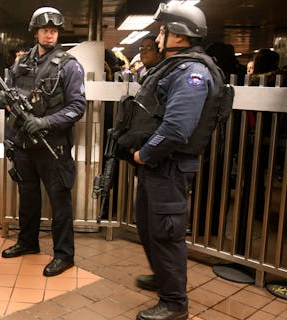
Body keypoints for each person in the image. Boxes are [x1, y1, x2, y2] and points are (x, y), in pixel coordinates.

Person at [131, 3, 223, 320]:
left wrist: (145, 154)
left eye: (163, 30)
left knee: (166, 234)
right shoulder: (174, 66)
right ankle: (162, 276)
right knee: (147, 225)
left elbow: (177, 129)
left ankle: (174, 303)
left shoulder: (192, 73)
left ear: (178, 35)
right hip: (158, 167)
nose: (158, 36)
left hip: (169, 167)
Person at [0, 7, 86, 277]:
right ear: (35, 32)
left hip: (53, 146)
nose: (49, 34)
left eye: (54, 30)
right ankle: (27, 242)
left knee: (59, 201)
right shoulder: (21, 62)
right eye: (44, 29)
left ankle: (64, 255)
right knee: (27, 196)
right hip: (25, 143)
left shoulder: (69, 65)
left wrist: (45, 122)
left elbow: (78, 106)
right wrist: (4, 102)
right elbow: (8, 92)